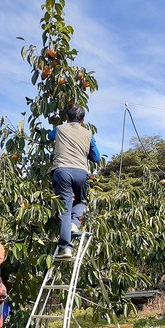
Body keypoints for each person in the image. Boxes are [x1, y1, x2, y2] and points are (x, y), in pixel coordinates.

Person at [48, 104, 100, 260]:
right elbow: (96, 157)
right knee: (81, 199)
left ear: (67, 117)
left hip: (62, 171)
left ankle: (65, 248)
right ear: (83, 119)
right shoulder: (88, 133)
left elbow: (49, 137)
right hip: (81, 173)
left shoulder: (60, 129)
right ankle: (75, 222)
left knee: (64, 209)